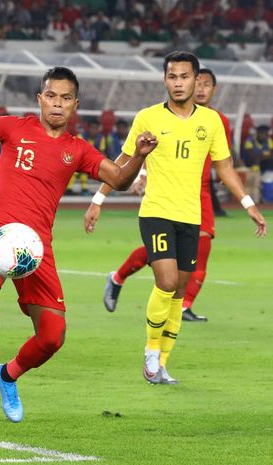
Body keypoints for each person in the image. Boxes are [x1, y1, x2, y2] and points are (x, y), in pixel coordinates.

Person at [0, 66, 157, 422]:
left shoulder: (77, 149)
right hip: (1, 227)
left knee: (52, 336)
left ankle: (7, 375)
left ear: (75, 104)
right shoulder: (14, 126)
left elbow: (119, 179)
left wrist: (139, 155)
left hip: (37, 246)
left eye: (66, 98)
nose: (57, 104)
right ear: (40, 99)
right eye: (52, 96)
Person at [84, 52, 266, 386]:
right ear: (164, 80)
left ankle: (162, 364)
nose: (178, 82)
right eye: (172, 76)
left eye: (184, 77)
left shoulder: (210, 122)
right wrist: (98, 199)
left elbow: (224, 167)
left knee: (179, 291)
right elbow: (121, 160)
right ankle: (151, 353)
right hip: (156, 212)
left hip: (190, 216)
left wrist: (248, 204)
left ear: (197, 80)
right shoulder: (148, 117)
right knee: (166, 282)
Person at [97, 68, 233, 323]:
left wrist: (245, 201)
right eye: (198, 83)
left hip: (199, 194)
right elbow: (152, 150)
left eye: (207, 84)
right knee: (165, 253)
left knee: (194, 250)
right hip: (166, 193)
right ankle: (122, 280)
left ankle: (180, 306)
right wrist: (142, 176)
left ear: (214, 90)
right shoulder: (160, 116)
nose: (201, 88)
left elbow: (224, 163)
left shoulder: (217, 121)